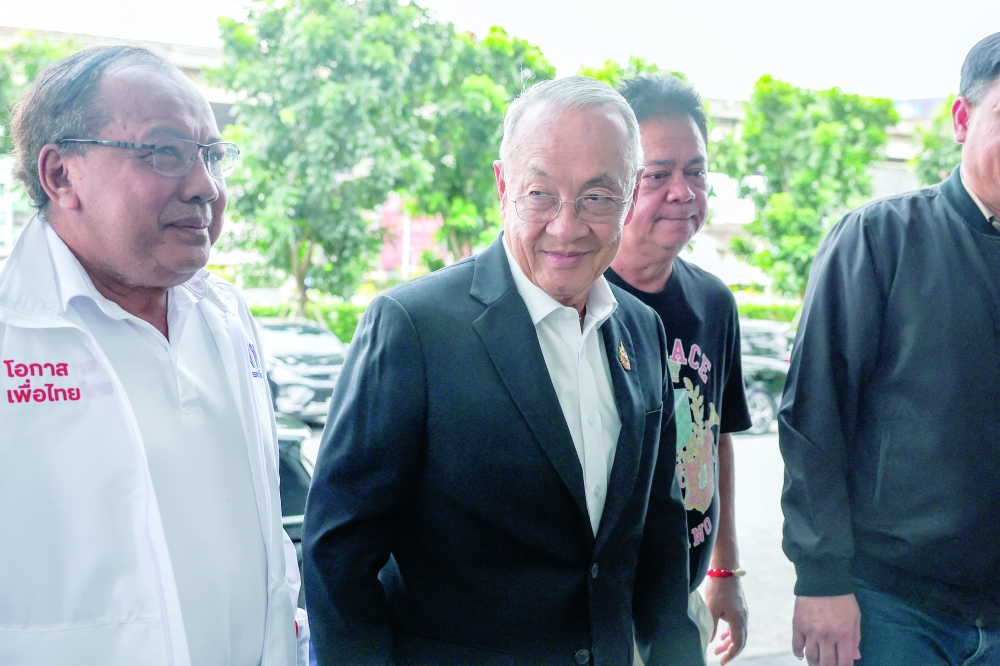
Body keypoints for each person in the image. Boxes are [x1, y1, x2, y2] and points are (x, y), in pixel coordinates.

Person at [303, 76, 705, 666]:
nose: (567, 227)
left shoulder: (642, 331)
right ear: (502, 186)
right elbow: (337, 558)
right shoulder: (414, 327)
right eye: (541, 194)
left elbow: (660, 542)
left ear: (627, 196)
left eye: (597, 197)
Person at [0, 46, 307, 666]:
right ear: (62, 175)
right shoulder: (13, 332)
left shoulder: (226, 317)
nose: (206, 188)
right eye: (164, 151)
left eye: (211, 156)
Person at [779, 32, 1000, 666]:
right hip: (894, 604)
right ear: (962, 119)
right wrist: (820, 578)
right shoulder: (879, 239)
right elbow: (813, 416)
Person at [606, 75, 752, 665]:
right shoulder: (574, 300)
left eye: (696, 172)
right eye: (657, 174)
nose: (682, 192)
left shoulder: (713, 303)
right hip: (594, 605)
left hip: (680, 595)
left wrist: (724, 568)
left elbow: (715, 441)